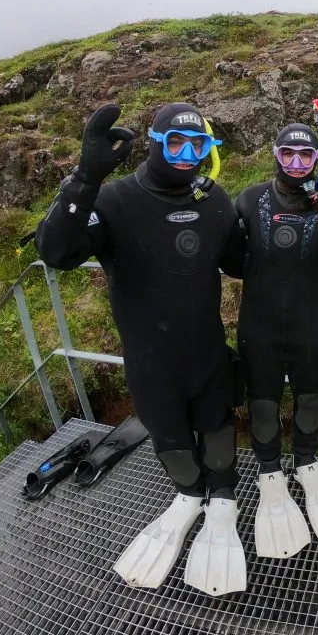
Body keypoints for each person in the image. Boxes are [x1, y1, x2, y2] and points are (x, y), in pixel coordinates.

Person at [36, 102, 248, 597]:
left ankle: (222, 496)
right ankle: (189, 493)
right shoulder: (113, 200)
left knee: (218, 424)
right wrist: (84, 178)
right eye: (176, 143)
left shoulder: (215, 202)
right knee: (167, 434)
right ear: (154, 143)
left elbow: (241, 262)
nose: (187, 154)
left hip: (208, 352)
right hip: (150, 359)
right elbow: (56, 252)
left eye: (199, 146)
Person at [235, 117, 318, 560]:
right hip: (259, 325)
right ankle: (270, 471)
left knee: (311, 395)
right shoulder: (250, 200)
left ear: (317, 159)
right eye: (287, 154)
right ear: (275, 155)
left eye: (305, 155)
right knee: (263, 400)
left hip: (312, 321)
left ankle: (307, 461)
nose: (295, 162)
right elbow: (229, 260)